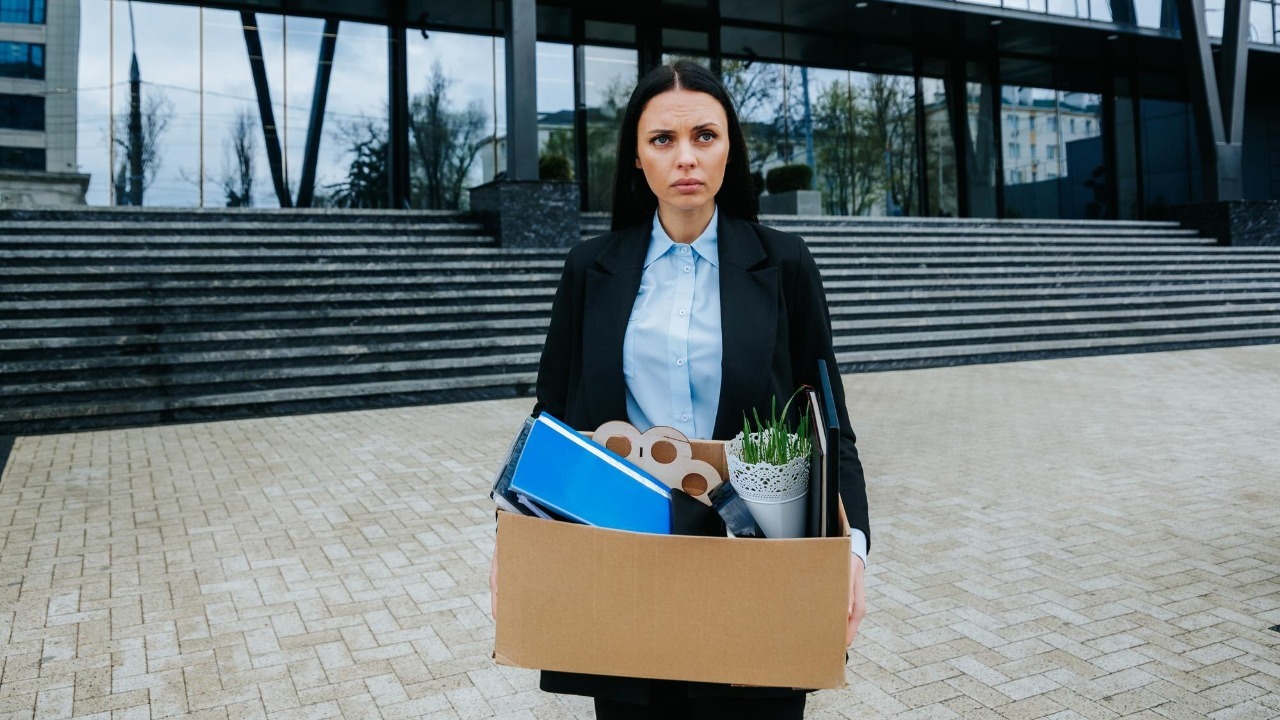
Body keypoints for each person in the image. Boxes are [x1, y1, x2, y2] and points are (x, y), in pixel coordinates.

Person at [490, 58, 870, 719]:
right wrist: (513, 540)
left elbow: (830, 422)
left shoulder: (785, 265)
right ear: (637, 158)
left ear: (731, 150)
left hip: (757, 565)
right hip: (625, 560)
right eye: (663, 140)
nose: (685, 158)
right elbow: (549, 417)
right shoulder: (590, 270)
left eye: (705, 136)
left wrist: (854, 550)